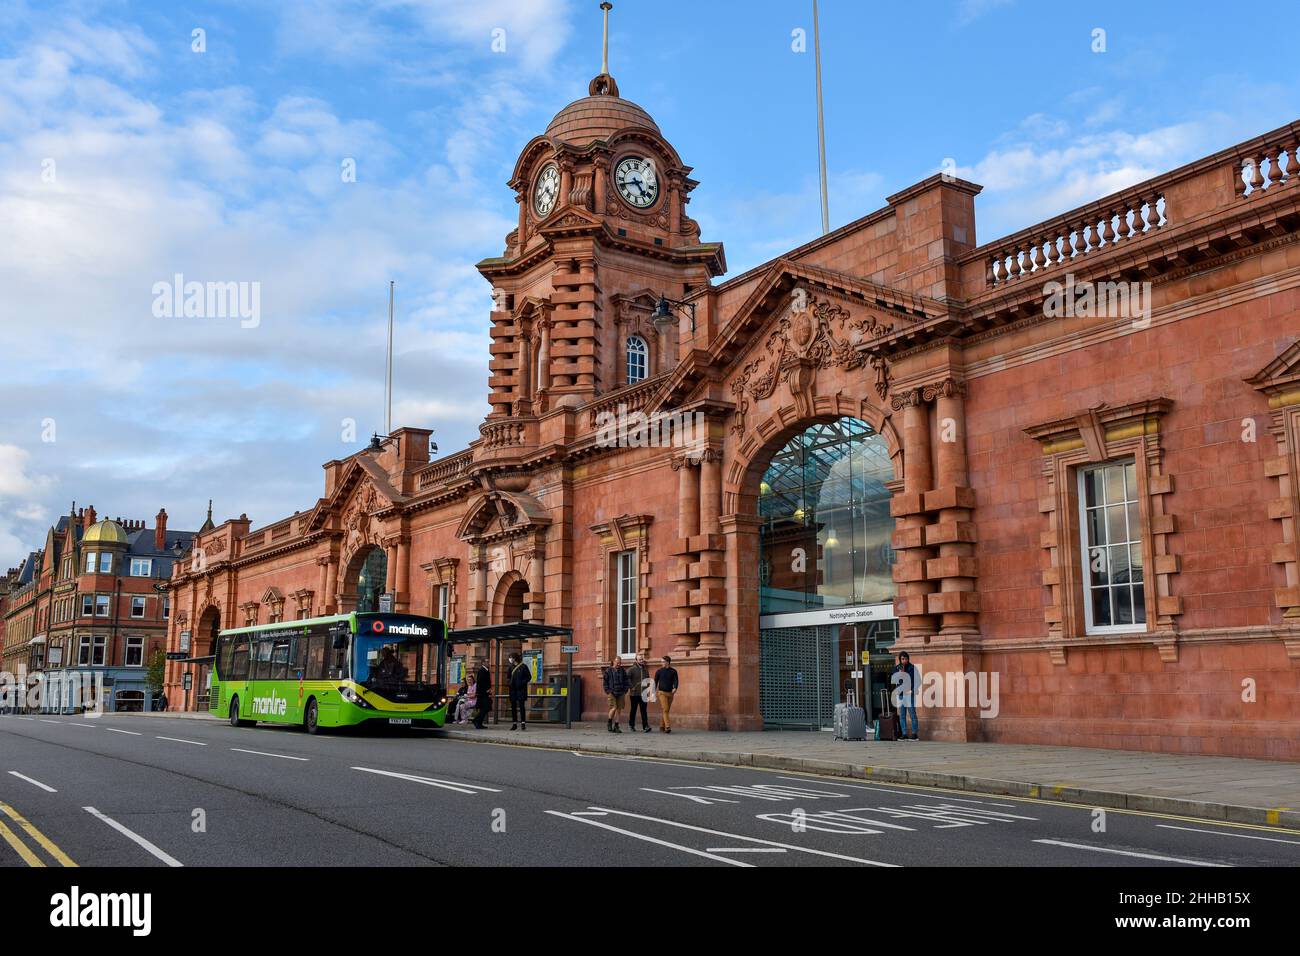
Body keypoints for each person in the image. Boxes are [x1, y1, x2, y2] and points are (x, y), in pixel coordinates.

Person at [893, 651, 919, 740]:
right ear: (900, 660)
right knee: (902, 715)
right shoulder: (897, 668)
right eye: (902, 659)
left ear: (908, 659)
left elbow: (918, 681)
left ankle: (914, 734)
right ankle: (904, 734)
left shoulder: (912, 668)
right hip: (901, 694)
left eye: (906, 659)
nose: (904, 661)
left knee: (912, 714)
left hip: (909, 694)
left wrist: (912, 690)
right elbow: (894, 680)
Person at [603, 655, 629, 733]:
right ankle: (609, 722)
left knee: (619, 709)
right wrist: (608, 691)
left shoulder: (622, 670)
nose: (619, 664)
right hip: (612, 692)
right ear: (614, 662)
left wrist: (625, 689)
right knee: (613, 708)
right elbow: (605, 682)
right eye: (617, 663)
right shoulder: (608, 671)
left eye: (620, 663)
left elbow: (626, 680)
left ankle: (616, 726)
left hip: (621, 692)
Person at [653, 655, 678, 733]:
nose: (661, 663)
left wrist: (675, 688)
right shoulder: (659, 671)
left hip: (670, 693)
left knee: (666, 710)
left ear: (668, 662)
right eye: (661, 662)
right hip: (662, 693)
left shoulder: (673, 671)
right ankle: (667, 726)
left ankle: (661, 725)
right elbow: (655, 682)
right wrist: (653, 693)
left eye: (663, 662)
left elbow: (676, 680)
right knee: (665, 709)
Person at [626, 653, 651, 732]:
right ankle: (631, 725)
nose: (641, 660)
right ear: (636, 660)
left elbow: (648, 681)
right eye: (640, 659)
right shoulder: (631, 669)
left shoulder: (645, 670)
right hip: (634, 694)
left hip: (643, 693)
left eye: (642, 659)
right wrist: (631, 687)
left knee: (644, 710)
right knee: (633, 710)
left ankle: (645, 726)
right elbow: (627, 679)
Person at [508, 652, 532, 731]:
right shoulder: (510, 667)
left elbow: (529, 677)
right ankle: (514, 723)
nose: (510, 659)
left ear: (515, 658)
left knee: (522, 707)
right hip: (512, 690)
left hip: (521, 690)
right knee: (513, 707)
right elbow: (508, 677)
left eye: (511, 657)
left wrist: (521, 683)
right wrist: (510, 683)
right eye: (510, 657)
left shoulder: (523, 666)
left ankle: (523, 723)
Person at [471, 660, 492, 729]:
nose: (488, 663)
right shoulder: (482, 670)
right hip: (483, 693)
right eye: (487, 662)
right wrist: (486, 690)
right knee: (486, 707)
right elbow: (480, 682)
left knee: (485, 708)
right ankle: (476, 720)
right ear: (483, 663)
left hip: (484, 693)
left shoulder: (486, 670)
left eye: (488, 662)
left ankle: (479, 723)